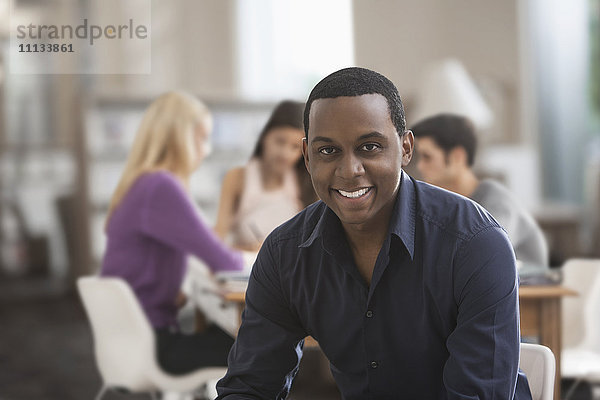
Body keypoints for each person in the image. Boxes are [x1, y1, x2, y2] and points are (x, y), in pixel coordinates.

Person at [216, 68, 532, 399]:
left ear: (406, 149)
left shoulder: (475, 244)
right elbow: (249, 386)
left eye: (369, 147)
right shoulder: (285, 254)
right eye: (328, 151)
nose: (350, 170)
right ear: (307, 157)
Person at [100, 91, 244, 375]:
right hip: (152, 345)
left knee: (236, 333)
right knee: (266, 348)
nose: (207, 150)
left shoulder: (141, 184)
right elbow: (226, 262)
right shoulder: (161, 187)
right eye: (203, 138)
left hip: (131, 341)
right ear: (182, 138)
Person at [411, 114, 549, 267]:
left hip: (528, 288)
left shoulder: (496, 202)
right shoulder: (447, 204)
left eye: (427, 157)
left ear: (458, 156)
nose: (420, 166)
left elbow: (483, 253)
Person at [214, 100, 318, 252]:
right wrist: (249, 249)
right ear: (265, 136)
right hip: (246, 269)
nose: (285, 154)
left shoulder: (308, 182)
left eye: (295, 147)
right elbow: (217, 242)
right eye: (280, 141)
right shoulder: (237, 178)